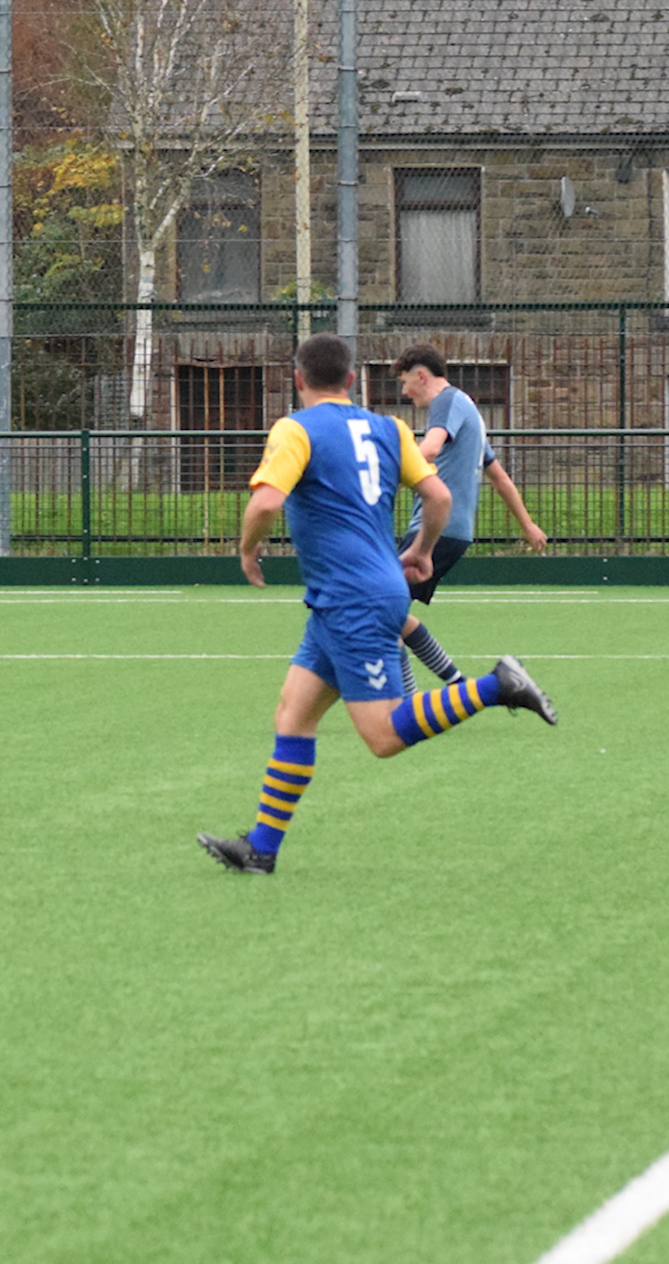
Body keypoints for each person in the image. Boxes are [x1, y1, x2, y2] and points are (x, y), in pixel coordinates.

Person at [199, 334, 556, 876]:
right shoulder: (389, 429)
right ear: (350, 381)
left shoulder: (296, 429)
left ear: (298, 380)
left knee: (383, 736)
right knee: (293, 714)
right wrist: (422, 551)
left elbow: (266, 501)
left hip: (352, 600)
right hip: (350, 596)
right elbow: (439, 496)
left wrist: (248, 551)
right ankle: (261, 850)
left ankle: (496, 685)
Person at [390, 344, 549, 692]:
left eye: (404, 382)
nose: (404, 393)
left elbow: (429, 449)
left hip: (435, 528)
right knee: (391, 611)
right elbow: (500, 478)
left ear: (421, 376)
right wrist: (527, 524)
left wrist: (382, 476)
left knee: (382, 611)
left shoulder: (446, 402)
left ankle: (413, 702)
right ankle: (457, 685)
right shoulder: (469, 411)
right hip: (454, 532)